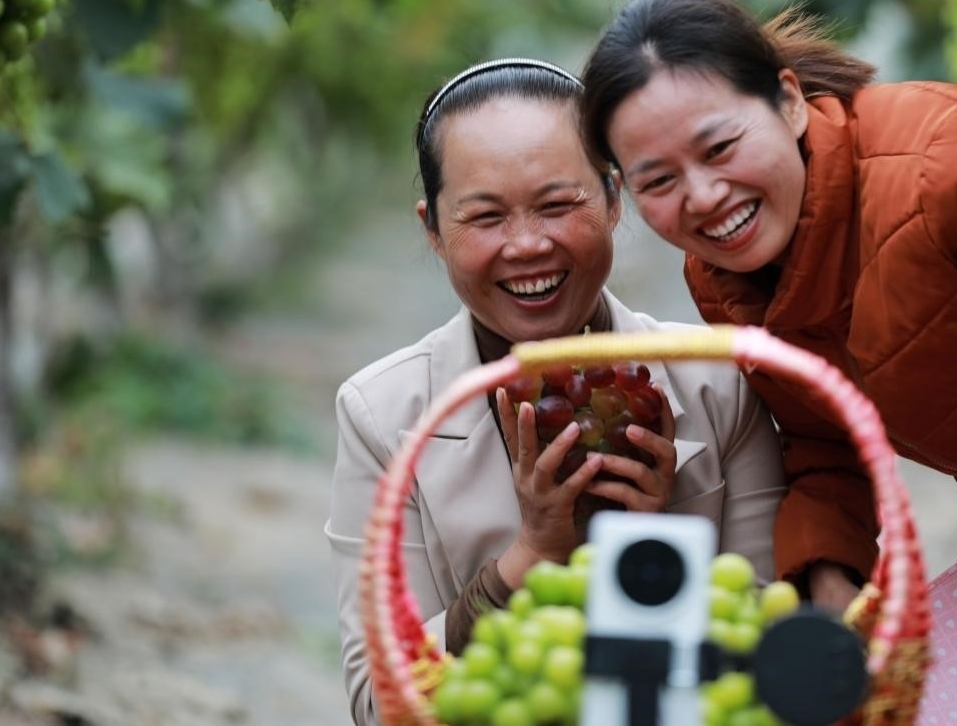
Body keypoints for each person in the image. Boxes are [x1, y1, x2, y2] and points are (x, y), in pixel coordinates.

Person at [577, 0, 957, 726]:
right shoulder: (727, 271)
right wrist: (829, 583)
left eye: (720, 147)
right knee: (904, 704)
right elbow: (822, 430)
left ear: (790, 100)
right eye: (659, 181)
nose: (702, 196)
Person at [325, 58, 787, 724]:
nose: (527, 245)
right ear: (433, 229)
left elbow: (771, 663)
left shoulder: (719, 383)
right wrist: (531, 556)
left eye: (557, 204)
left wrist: (645, 552)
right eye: (485, 216)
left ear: (612, 197)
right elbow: (378, 700)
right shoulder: (380, 414)